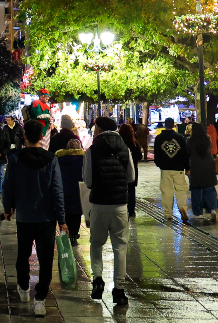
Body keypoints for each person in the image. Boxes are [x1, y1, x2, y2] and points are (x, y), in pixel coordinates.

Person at [2, 119, 67, 318]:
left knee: (23, 253)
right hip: (46, 217)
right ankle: (40, 300)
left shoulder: (15, 159)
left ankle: (23, 286)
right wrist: (61, 218)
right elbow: (57, 190)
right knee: (46, 259)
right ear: (41, 137)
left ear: (24, 136)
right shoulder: (51, 159)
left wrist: (8, 208)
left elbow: (8, 186)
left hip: (24, 215)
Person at [83, 116, 132, 306]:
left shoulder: (92, 151)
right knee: (120, 247)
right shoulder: (124, 149)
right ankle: (119, 290)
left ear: (100, 130)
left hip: (99, 205)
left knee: (96, 243)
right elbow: (131, 176)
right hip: (120, 205)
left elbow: (88, 180)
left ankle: (97, 279)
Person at [152, 118, 190, 222]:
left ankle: (168, 213)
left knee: (166, 191)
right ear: (174, 125)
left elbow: (157, 154)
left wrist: (159, 164)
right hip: (178, 168)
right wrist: (187, 167)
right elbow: (185, 154)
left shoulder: (159, 138)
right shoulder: (180, 138)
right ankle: (182, 208)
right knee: (181, 189)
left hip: (165, 168)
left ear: (165, 125)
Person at [53, 129, 84, 239]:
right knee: (76, 213)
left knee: (65, 211)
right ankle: (74, 235)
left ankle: (65, 234)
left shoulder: (60, 159)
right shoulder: (82, 159)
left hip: (64, 189)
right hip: (78, 191)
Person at [187, 123, 218, 222]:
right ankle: (212, 209)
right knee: (209, 188)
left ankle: (198, 213)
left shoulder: (190, 141)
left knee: (196, 190)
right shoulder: (207, 139)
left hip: (195, 167)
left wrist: (187, 167)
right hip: (208, 166)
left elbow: (187, 154)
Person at [119, 122, 142, 218]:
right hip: (132, 169)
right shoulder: (134, 144)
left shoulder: (119, 144)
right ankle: (131, 211)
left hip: (120, 169)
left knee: (121, 190)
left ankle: (122, 210)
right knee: (131, 190)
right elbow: (139, 157)